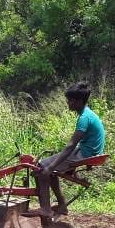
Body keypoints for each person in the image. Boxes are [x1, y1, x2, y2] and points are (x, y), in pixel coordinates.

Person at [24, 82, 105, 218]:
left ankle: (45, 208)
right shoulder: (88, 114)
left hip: (84, 154)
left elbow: (71, 145)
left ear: (79, 101)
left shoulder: (84, 118)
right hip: (87, 152)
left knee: (41, 168)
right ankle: (61, 205)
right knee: (50, 169)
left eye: (70, 100)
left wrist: (50, 167)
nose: (68, 103)